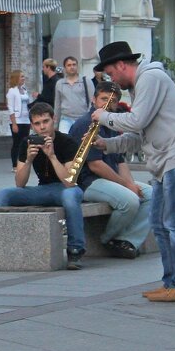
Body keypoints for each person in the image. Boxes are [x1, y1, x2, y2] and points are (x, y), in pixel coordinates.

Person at [92, 40, 175, 303]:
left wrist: (103, 117)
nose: (112, 80)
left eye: (111, 73)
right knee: (159, 224)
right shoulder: (140, 87)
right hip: (166, 162)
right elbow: (138, 135)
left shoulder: (151, 78)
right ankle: (171, 283)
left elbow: (136, 121)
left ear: (122, 65)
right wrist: (106, 144)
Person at [0, 102, 87, 269]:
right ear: (32, 126)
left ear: (54, 120)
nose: (42, 127)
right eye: (37, 124)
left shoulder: (68, 142)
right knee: (2, 195)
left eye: (46, 121)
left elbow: (70, 182)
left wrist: (52, 156)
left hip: (66, 189)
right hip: (42, 190)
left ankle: (75, 250)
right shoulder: (27, 143)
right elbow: (20, 184)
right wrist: (28, 160)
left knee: (70, 197)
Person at [67, 82, 152, 259]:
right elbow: (95, 165)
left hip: (110, 180)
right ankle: (105, 239)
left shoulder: (111, 124)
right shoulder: (85, 123)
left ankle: (127, 240)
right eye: (103, 99)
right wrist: (127, 186)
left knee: (152, 194)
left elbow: (120, 162)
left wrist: (130, 184)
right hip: (88, 182)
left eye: (112, 100)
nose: (107, 104)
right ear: (94, 99)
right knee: (130, 200)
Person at [53, 56, 92, 133]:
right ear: (65, 67)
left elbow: (92, 101)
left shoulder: (86, 81)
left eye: (74, 65)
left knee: (80, 142)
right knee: (64, 141)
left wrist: (89, 118)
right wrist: (55, 124)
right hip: (65, 118)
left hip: (82, 118)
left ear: (77, 66)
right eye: (69, 65)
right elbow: (57, 104)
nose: (72, 67)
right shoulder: (60, 83)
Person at [5, 70, 31, 169]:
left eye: (24, 76)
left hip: (26, 120)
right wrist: (14, 123)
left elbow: (28, 105)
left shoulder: (24, 89)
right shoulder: (12, 91)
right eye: (22, 77)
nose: (23, 78)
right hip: (17, 120)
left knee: (25, 142)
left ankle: (23, 162)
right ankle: (15, 165)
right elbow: (10, 107)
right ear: (16, 78)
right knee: (17, 143)